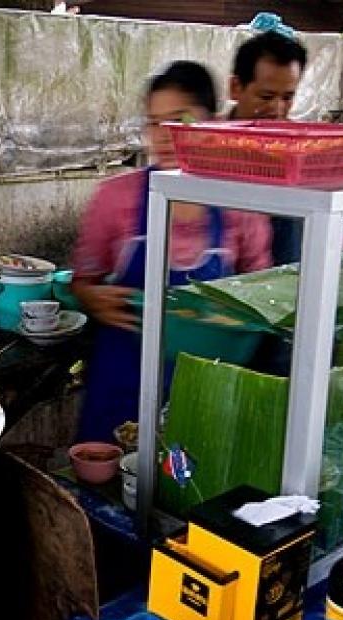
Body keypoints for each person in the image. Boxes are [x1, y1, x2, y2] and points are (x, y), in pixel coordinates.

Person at [71, 61, 272, 443]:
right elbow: (82, 281)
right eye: (154, 122)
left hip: (205, 388)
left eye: (180, 119)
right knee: (108, 492)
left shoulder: (240, 204)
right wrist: (91, 299)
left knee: (185, 484)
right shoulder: (115, 199)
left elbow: (264, 294)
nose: (164, 135)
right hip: (122, 379)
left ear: (211, 122)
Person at [229, 30, 308, 264]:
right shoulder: (201, 144)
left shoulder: (299, 148)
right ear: (235, 87)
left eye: (288, 97)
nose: (277, 109)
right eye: (266, 96)